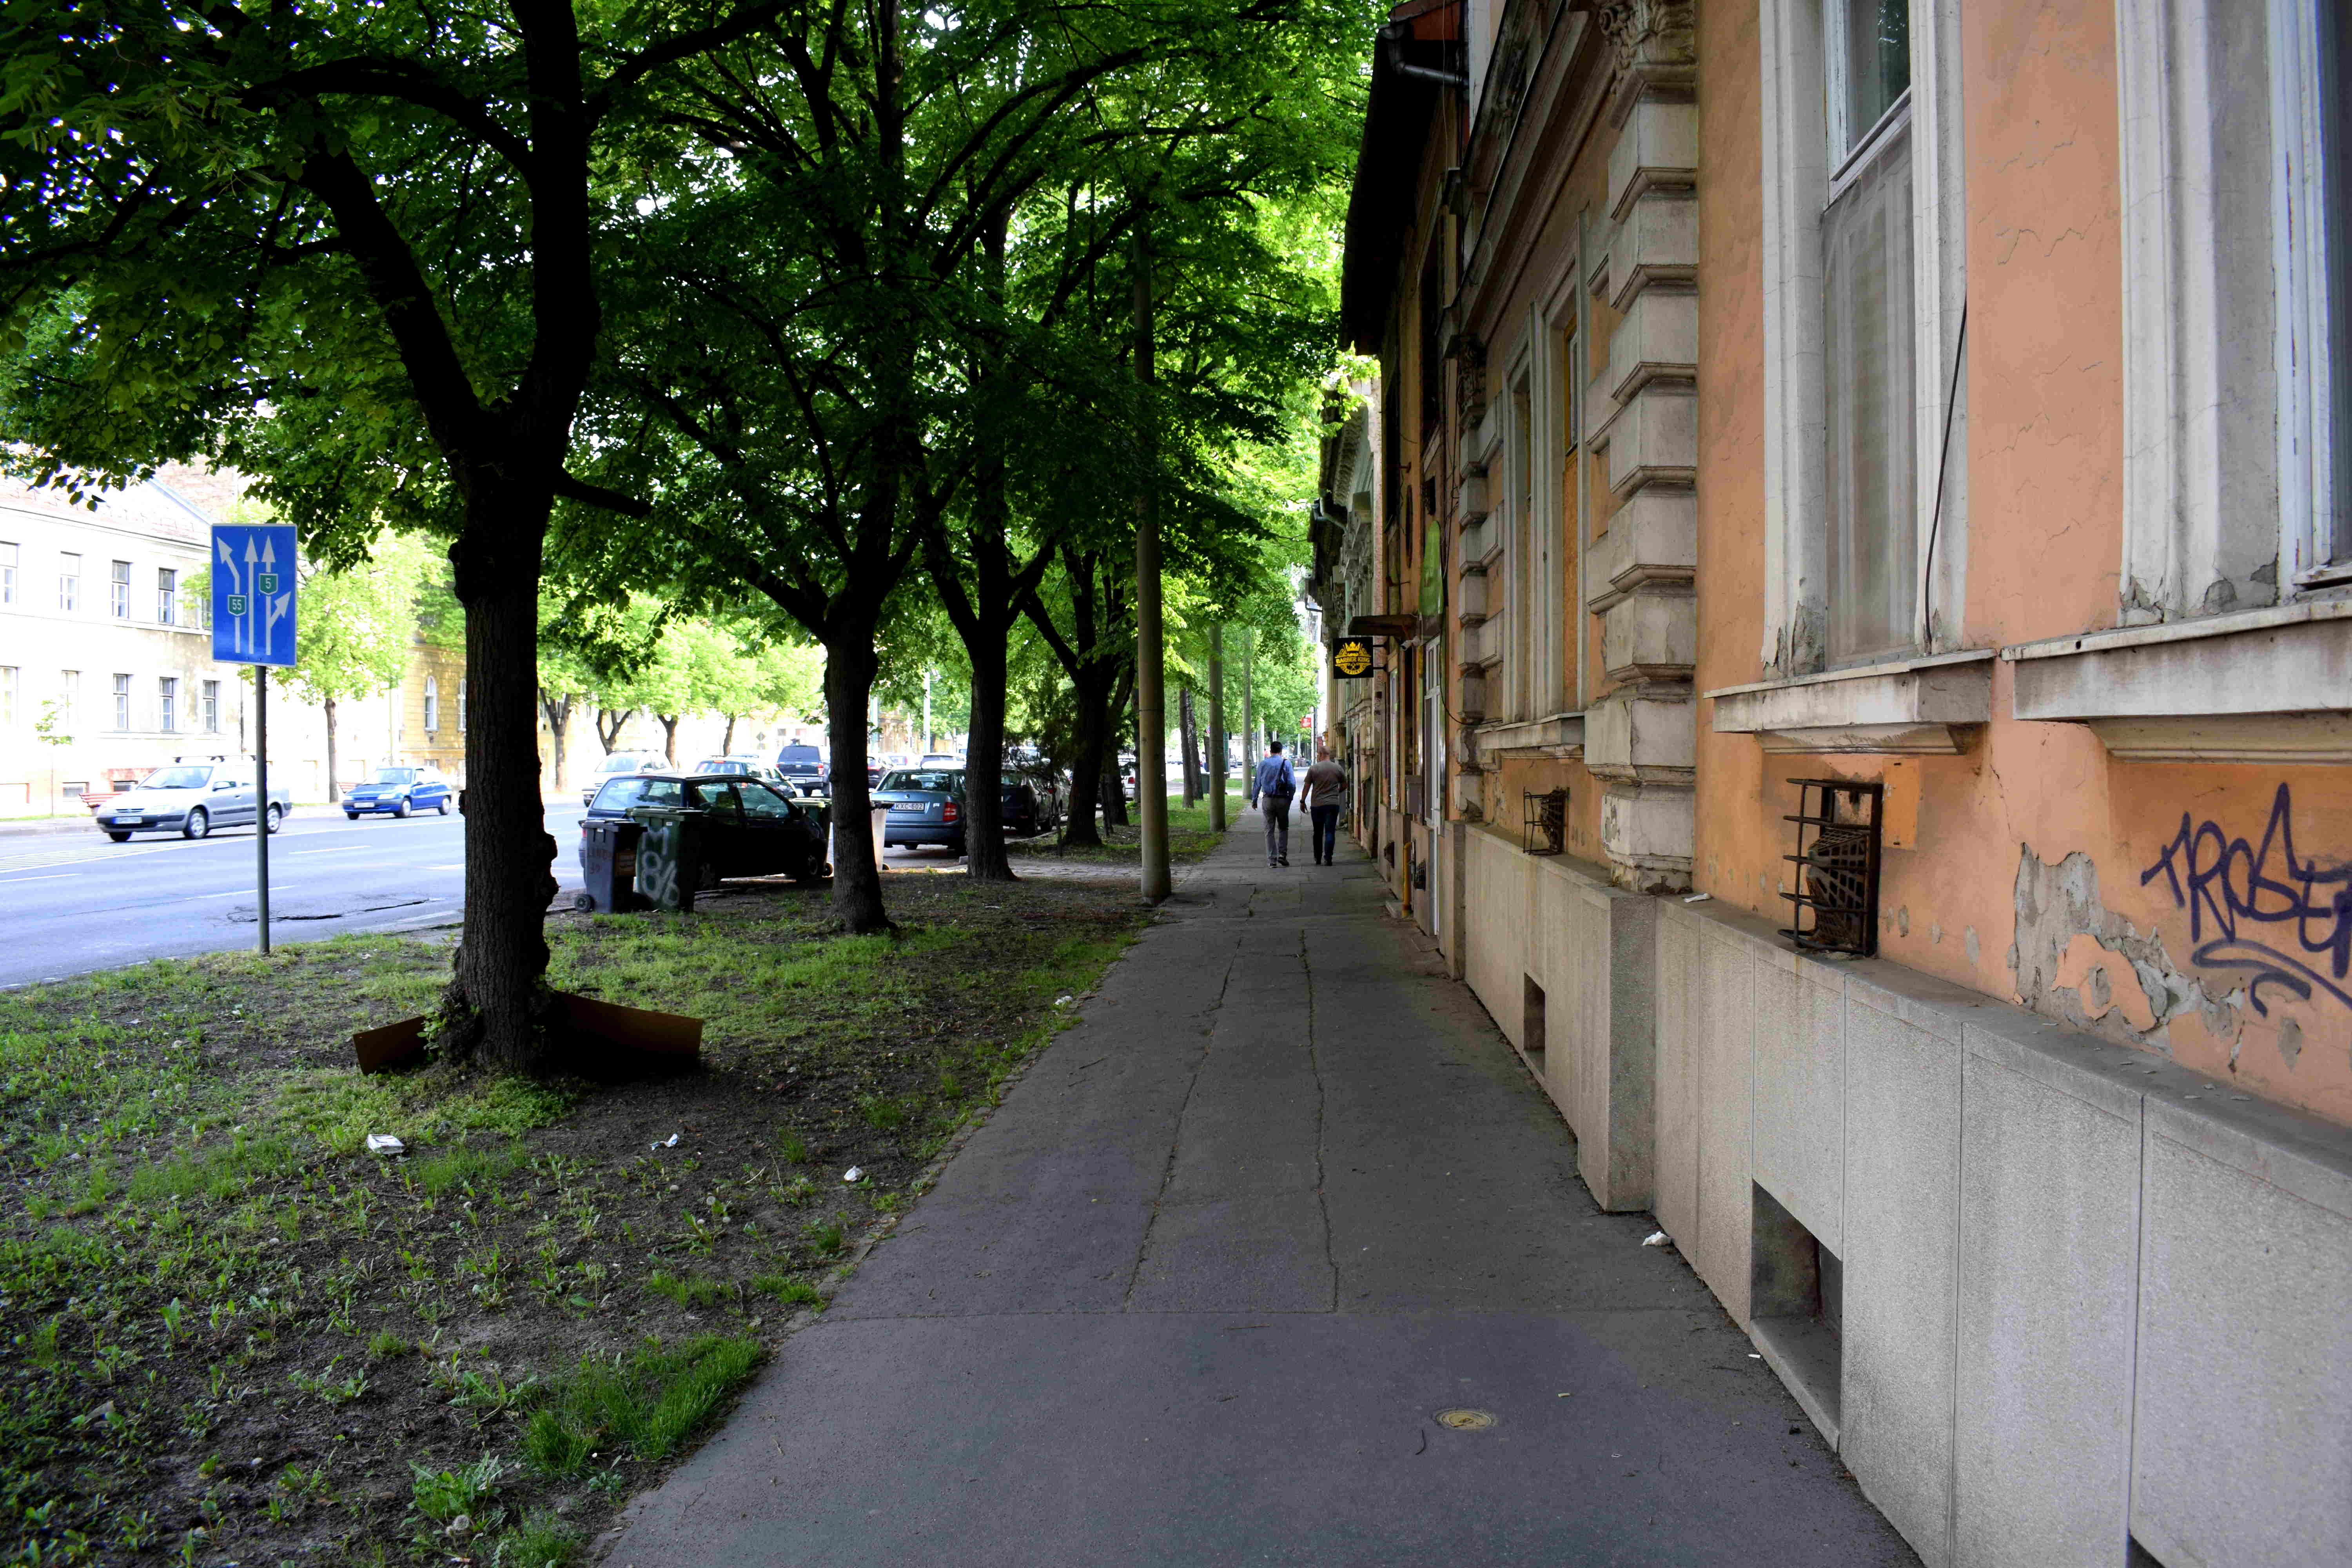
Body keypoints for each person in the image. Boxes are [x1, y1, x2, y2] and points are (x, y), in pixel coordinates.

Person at [1301, 742, 1349, 866]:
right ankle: (1328, 858)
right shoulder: (1338, 768)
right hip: (1333, 804)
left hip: (1317, 805)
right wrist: (1336, 793)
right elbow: (1345, 785)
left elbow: (1307, 786)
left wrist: (1303, 801)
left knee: (1317, 832)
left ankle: (1317, 858)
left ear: (1321, 754)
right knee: (1330, 832)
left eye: (1319, 754)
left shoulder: (1314, 769)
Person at [1252, 739, 1297, 867]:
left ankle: (1272, 860)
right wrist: (1290, 798)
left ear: (1270, 751)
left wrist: (1255, 800)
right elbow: (1292, 784)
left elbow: (1257, 784)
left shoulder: (1263, 764)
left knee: (1269, 830)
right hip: (1283, 799)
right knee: (1283, 828)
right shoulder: (1287, 764)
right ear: (1281, 751)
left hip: (1268, 800)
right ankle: (1282, 855)